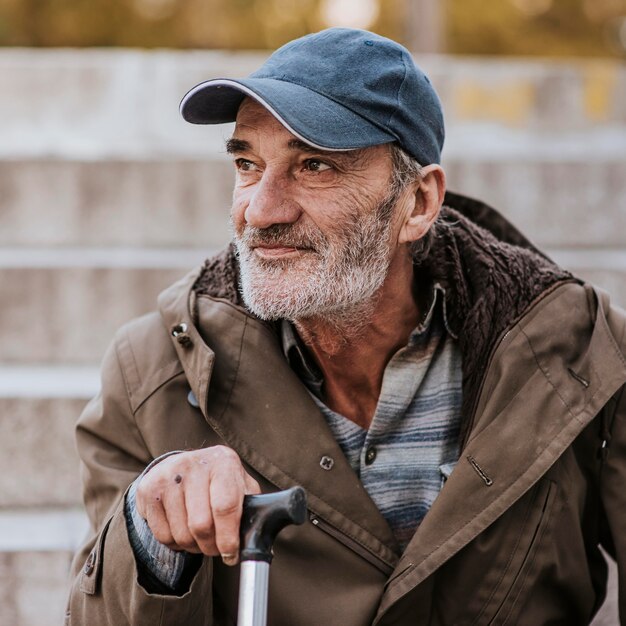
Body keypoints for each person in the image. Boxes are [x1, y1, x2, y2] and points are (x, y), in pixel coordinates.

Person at [66, 28, 626, 625]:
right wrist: (150, 536)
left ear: (416, 204)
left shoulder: (580, 353)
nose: (260, 210)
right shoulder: (151, 371)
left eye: (314, 166)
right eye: (248, 164)